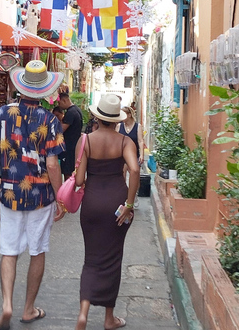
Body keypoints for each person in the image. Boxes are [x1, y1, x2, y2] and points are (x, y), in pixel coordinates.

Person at [0, 60, 66, 330]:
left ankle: (6, 305)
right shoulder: (50, 120)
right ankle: (28, 309)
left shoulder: (2, 114)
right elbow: (52, 164)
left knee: (9, 250)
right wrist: (59, 196)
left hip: (9, 193)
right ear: (43, 90)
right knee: (37, 250)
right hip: (40, 197)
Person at [74, 94, 140, 330]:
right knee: (112, 260)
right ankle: (109, 319)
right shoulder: (125, 142)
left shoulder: (85, 141)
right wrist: (129, 205)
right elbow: (134, 170)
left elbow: (80, 179)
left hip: (91, 203)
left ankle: (83, 313)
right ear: (117, 121)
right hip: (116, 205)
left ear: (97, 117)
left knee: (91, 259)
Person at [57, 86, 83, 179]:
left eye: (59, 103)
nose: (59, 105)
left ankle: (68, 192)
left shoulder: (70, 113)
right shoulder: (77, 110)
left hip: (69, 147)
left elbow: (61, 129)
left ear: (64, 101)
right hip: (74, 146)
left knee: (67, 172)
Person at [118, 105, 144, 170]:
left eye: (123, 114)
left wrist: (142, 155)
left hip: (134, 155)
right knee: (121, 176)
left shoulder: (138, 126)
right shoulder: (119, 126)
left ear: (129, 115)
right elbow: (116, 141)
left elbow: (140, 141)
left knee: (135, 175)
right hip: (122, 156)